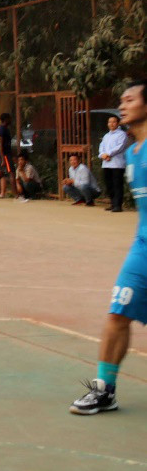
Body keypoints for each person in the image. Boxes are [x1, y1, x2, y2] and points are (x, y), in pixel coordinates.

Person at [70, 79, 147, 416]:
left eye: (129, 99)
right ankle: (105, 390)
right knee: (118, 313)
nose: (122, 105)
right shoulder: (132, 153)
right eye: (121, 100)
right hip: (142, 246)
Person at [100, 114, 128, 213]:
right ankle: (112, 203)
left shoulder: (121, 134)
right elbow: (101, 146)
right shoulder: (106, 136)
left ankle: (118, 205)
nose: (111, 124)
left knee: (117, 185)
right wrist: (102, 154)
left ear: (118, 123)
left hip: (117, 164)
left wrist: (108, 154)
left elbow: (119, 147)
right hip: (106, 164)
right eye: (109, 122)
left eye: (114, 122)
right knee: (109, 184)